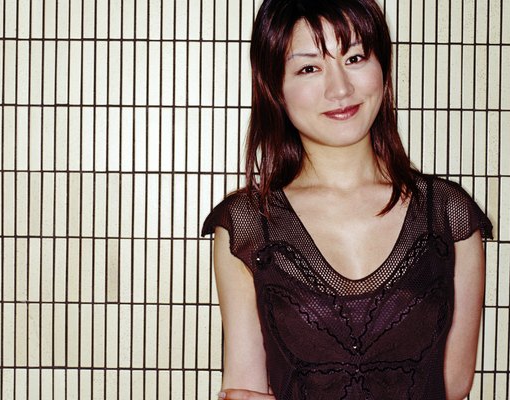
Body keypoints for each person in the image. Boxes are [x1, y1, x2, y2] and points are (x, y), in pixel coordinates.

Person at [201, 0, 493, 399]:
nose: (340, 88)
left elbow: (454, 384)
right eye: (309, 67)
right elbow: (244, 388)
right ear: (275, 88)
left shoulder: (447, 213)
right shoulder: (249, 223)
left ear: (383, 70)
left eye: (355, 57)